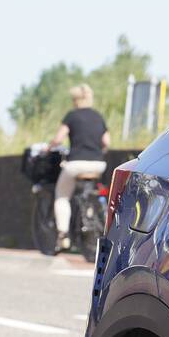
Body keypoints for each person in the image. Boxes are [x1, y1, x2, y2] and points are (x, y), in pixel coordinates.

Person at [48, 84, 110, 251]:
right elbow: (106, 142)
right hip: (98, 164)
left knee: (61, 196)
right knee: (91, 192)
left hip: (75, 164)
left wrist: (50, 146)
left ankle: (63, 236)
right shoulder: (98, 116)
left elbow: (59, 138)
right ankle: (91, 214)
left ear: (74, 100)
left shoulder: (71, 116)